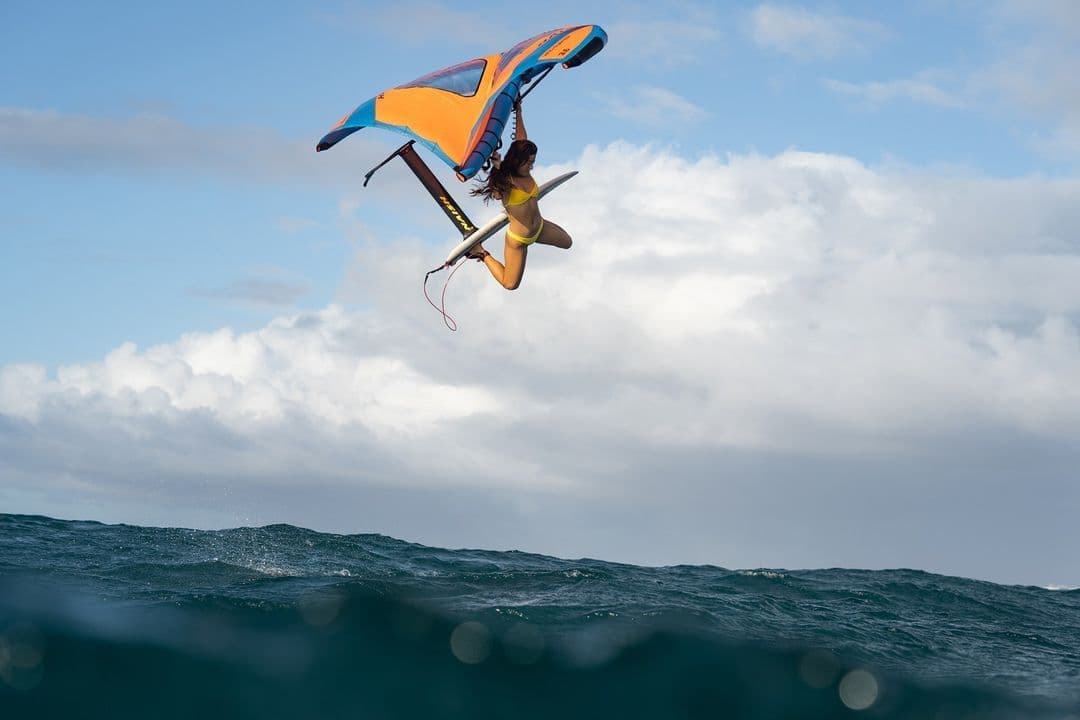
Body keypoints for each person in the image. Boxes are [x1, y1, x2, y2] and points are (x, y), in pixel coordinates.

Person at [467, 100, 572, 290]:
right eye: (529, 162)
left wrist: (519, 110)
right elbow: (497, 192)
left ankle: (536, 236)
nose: (532, 166)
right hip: (519, 239)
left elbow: (521, 138)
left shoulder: (524, 171)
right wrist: (496, 165)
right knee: (510, 284)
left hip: (539, 228)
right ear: (518, 161)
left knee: (567, 243)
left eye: (533, 161)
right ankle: (481, 253)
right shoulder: (506, 181)